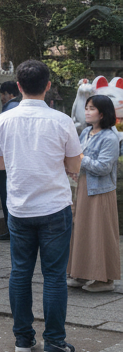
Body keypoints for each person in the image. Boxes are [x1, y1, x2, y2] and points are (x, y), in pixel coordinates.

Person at [0, 59, 83, 352]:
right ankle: (55, 341)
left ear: (18, 86)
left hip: (19, 206)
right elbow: (74, 164)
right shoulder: (61, 120)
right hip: (54, 205)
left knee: (20, 273)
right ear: (48, 85)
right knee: (54, 276)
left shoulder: (4, 120)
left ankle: (23, 338)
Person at [66, 94, 121, 293]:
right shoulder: (86, 132)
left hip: (100, 191)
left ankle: (105, 279)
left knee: (99, 233)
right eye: (87, 107)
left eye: (91, 108)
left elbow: (103, 167)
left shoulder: (110, 137)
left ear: (103, 113)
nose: (86, 111)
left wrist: (80, 158)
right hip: (83, 188)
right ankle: (80, 273)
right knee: (81, 230)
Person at [0, 81, 21, 241]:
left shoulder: (7, 111)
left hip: (7, 160)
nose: (2, 97)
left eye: (2, 94)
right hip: (19, 159)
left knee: (6, 195)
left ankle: (10, 229)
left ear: (9, 94)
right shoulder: (21, 107)